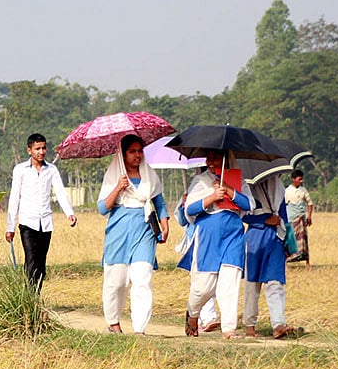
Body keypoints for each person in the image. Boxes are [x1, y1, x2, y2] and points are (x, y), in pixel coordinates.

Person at [96, 134, 168, 334]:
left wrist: (165, 224)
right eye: (132, 152)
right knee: (116, 282)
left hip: (144, 230)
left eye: (140, 151)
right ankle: (113, 323)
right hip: (119, 232)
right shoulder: (114, 176)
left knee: (142, 278)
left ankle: (140, 329)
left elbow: (159, 202)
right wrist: (119, 188)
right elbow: (103, 208)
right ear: (123, 154)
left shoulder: (149, 175)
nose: (137, 155)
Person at [179, 149, 254, 339]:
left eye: (216, 158)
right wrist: (212, 197)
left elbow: (249, 205)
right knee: (204, 286)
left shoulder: (238, 179)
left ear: (226, 159)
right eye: (209, 158)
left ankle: (229, 329)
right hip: (208, 235)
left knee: (230, 281)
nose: (211, 162)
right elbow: (190, 209)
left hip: (233, 234)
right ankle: (193, 312)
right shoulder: (201, 180)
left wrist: (230, 190)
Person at [6, 133, 77, 293]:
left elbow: (60, 192)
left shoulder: (51, 170)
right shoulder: (20, 170)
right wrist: (10, 227)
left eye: (44, 148)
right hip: (27, 221)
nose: (41, 152)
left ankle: (34, 294)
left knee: (41, 264)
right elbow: (14, 198)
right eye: (37, 148)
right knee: (31, 259)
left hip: (45, 222)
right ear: (29, 150)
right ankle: (30, 299)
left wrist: (69, 213)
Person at [242, 175, 300, 339]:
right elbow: (242, 214)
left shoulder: (278, 186)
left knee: (275, 282)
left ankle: (278, 324)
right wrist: (264, 219)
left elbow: (284, 215)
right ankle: (249, 326)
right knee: (252, 284)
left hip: (276, 238)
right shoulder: (247, 187)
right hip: (255, 239)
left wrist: (288, 241)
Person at [174, 175, 219, 333]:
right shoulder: (192, 190)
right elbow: (181, 220)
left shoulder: (217, 187)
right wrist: (184, 204)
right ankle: (199, 316)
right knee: (200, 282)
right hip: (194, 241)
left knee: (212, 278)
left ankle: (208, 317)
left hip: (211, 240)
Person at [285, 169, 313, 269]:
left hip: (301, 218)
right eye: (299, 179)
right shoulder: (287, 191)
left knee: (303, 240)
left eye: (302, 179)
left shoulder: (303, 190)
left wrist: (309, 216)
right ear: (293, 179)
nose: (301, 181)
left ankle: (307, 262)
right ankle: (287, 261)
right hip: (291, 219)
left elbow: (310, 203)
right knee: (290, 240)